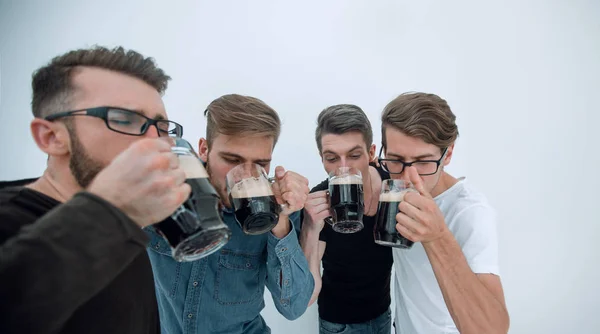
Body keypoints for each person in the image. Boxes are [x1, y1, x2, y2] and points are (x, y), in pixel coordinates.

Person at [0, 46, 189, 334]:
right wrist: (112, 209)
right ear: (51, 137)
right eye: (124, 119)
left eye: (161, 126)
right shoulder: (9, 219)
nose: (158, 142)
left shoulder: (129, 226)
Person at [146, 94, 315, 334]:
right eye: (232, 159)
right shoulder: (167, 189)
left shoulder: (274, 211)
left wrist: (281, 222)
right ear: (204, 149)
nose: (244, 173)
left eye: (260, 163)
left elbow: (294, 307)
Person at [377, 92, 510, 334]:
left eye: (423, 162)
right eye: (395, 159)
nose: (408, 177)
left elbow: (492, 330)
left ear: (447, 155)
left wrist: (437, 237)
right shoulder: (389, 184)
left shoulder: (471, 213)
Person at [300, 104, 393, 334]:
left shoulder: (392, 186)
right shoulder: (319, 201)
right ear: (322, 158)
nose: (343, 168)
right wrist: (310, 229)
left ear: (371, 153)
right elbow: (308, 295)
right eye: (332, 158)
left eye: (354, 155)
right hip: (338, 324)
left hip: (384, 314)